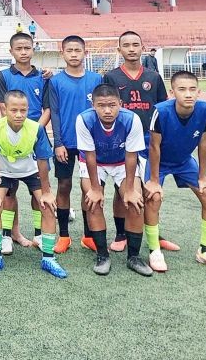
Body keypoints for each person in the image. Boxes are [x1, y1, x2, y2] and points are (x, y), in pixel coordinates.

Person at [144, 71, 206, 272]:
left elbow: (203, 142)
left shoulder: (205, 110)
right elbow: (154, 148)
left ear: (199, 91)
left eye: (192, 89)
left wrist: (203, 175)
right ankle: (154, 250)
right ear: (172, 92)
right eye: (182, 89)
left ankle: (205, 250)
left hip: (184, 160)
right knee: (154, 197)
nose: (188, 94)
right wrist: (155, 180)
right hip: (159, 160)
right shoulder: (161, 111)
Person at [102, 31, 178, 253]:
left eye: (136, 44)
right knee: (121, 189)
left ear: (143, 47)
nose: (132, 49)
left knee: (151, 190)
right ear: (119, 50)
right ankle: (120, 233)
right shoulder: (111, 77)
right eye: (126, 45)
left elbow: (164, 109)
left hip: (149, 141)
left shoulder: (153, 77)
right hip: (121, 141)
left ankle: (155, 232)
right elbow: (106, 106)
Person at [0, 91, 67, 279]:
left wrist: (46, 192)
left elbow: (43, 159)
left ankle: (49, 258)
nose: (19, 114)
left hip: (31, 169)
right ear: (4, 109)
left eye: (23, 110)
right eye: (14, 110)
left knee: (48, 207)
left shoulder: (36, 129)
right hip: (5, 171)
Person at [77, 84, 153, 277]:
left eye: (112, 105)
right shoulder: (84, 119)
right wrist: (95, 189)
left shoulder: (131, 119)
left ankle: (133, 257)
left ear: (121, 103)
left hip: (122, 161)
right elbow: (90, 155)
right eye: (101, 105)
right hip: (95, 162)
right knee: (92, 202)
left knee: (136, 203)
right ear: (93, 105)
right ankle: (102, 255)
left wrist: (129, 189)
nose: (107, 110)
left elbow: (131, 156)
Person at [0, 32, 50, 251]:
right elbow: (0, 108)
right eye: (19, 48)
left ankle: (39, 234)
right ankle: (7, 235)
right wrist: (12, 135)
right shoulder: (3, 76)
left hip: (35, 140)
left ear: (33, 49)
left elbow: (47, 109)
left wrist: (34, 133)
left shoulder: (44, 77)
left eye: (27, 48)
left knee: (38, 190)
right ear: (11, 51)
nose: (23, 52)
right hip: (10, 140)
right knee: (9, 191)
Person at [47, 35, 103, 253]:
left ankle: (88, 235)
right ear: (63, 54)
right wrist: (58, 143)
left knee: (87, 187)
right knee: (64, 185)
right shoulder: (56, 82)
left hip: (90, 144)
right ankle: (64, 235)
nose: (73, 54)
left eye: (77, 50)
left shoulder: (96, 79)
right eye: (69, 51)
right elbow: (56, 113)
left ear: (84, 53)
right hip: (66, 143)